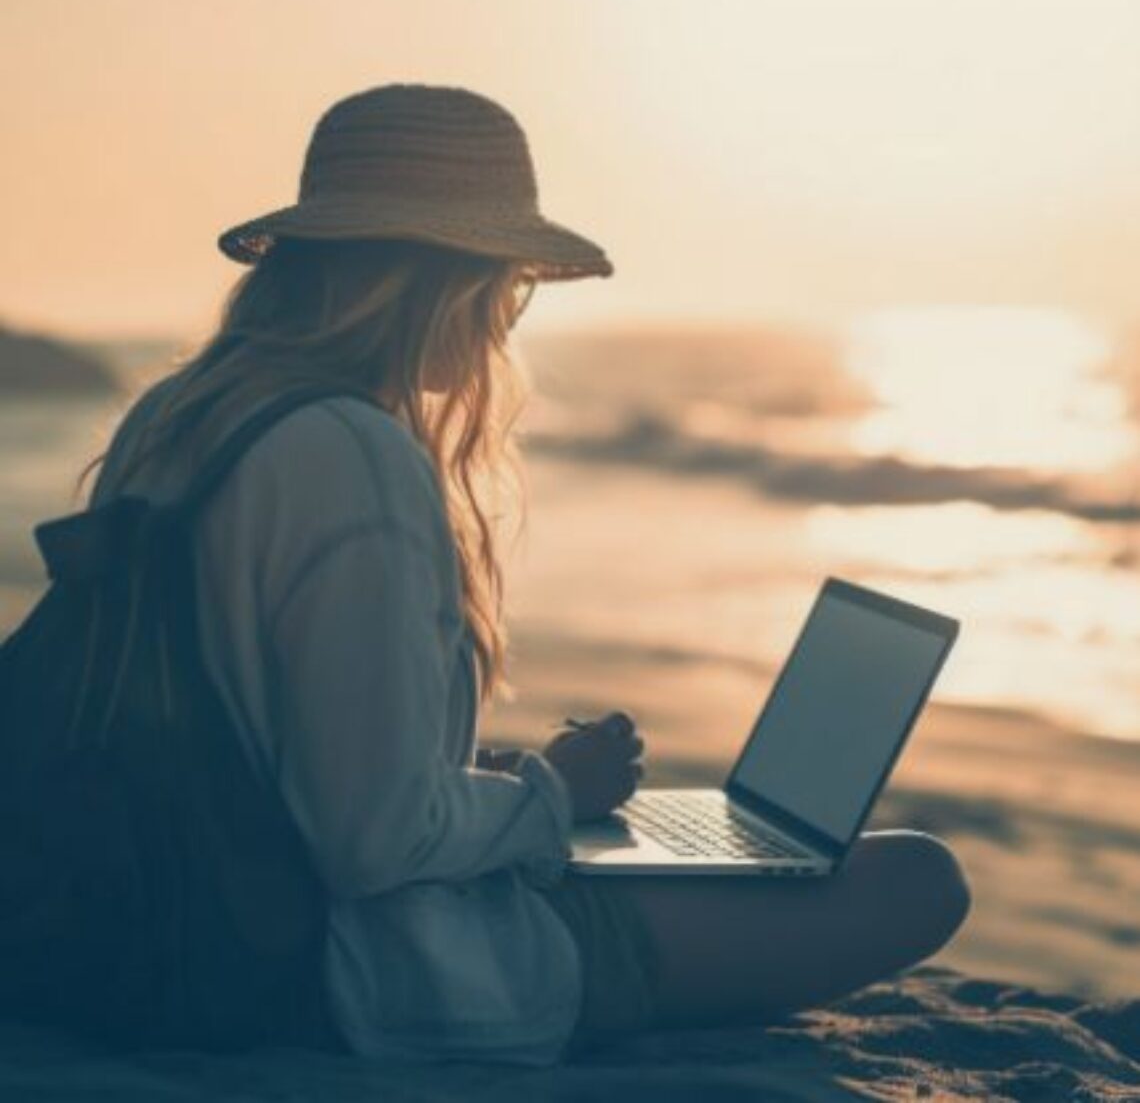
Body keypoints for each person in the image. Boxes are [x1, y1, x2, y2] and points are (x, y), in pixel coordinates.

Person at [83, 84, 970, 1066]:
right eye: (510, 284)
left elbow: (267, 741)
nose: (508, 319)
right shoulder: (349, 453)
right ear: (449, 278)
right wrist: (551, 794)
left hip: (176, 914)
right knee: (919, 880)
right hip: (365, 970)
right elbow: (369, 842)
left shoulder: (177, 416)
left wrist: (484, 786)